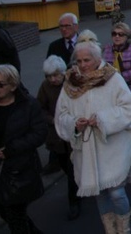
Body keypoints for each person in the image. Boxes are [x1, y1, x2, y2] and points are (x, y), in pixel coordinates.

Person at [55, 42, 131, 234]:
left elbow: (129, 107)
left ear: (98, 59)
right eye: (79, 60)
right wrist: (75, 123)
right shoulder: (70, 83)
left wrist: (102, 119)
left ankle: (124, 227)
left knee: (116, 192)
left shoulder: (112, 78)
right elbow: (61, 114)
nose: (82, 65)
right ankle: (109, 228)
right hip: (87, 148)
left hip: (112, 147)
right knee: (98, 193)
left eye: (87, 60)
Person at [0, 64, 46, 233]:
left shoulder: (28, 105)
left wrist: (12, 149)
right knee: (8, 214)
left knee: (15, 215)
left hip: (20, 170)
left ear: (13, 86)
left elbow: (39, 133)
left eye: (0, 84)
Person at [37, 56, 81, 220]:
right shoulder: (45, 87)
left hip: (73, 133)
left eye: (56, 75)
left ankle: (74, 202)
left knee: (72, 171)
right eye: (49, 76)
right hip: (56, 136)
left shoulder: (71, 84)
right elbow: (39, 107)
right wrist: (52, 119)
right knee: (65, 166)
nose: (53, 79)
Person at [102, 22, 131, 169]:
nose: (117, 37)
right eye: (114, 34)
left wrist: (119, 77)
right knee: (119, 126)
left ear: (127, 36)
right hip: (113, 96)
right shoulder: (107, 51)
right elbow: (102, 71)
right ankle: (123, 155)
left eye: (120, 34)